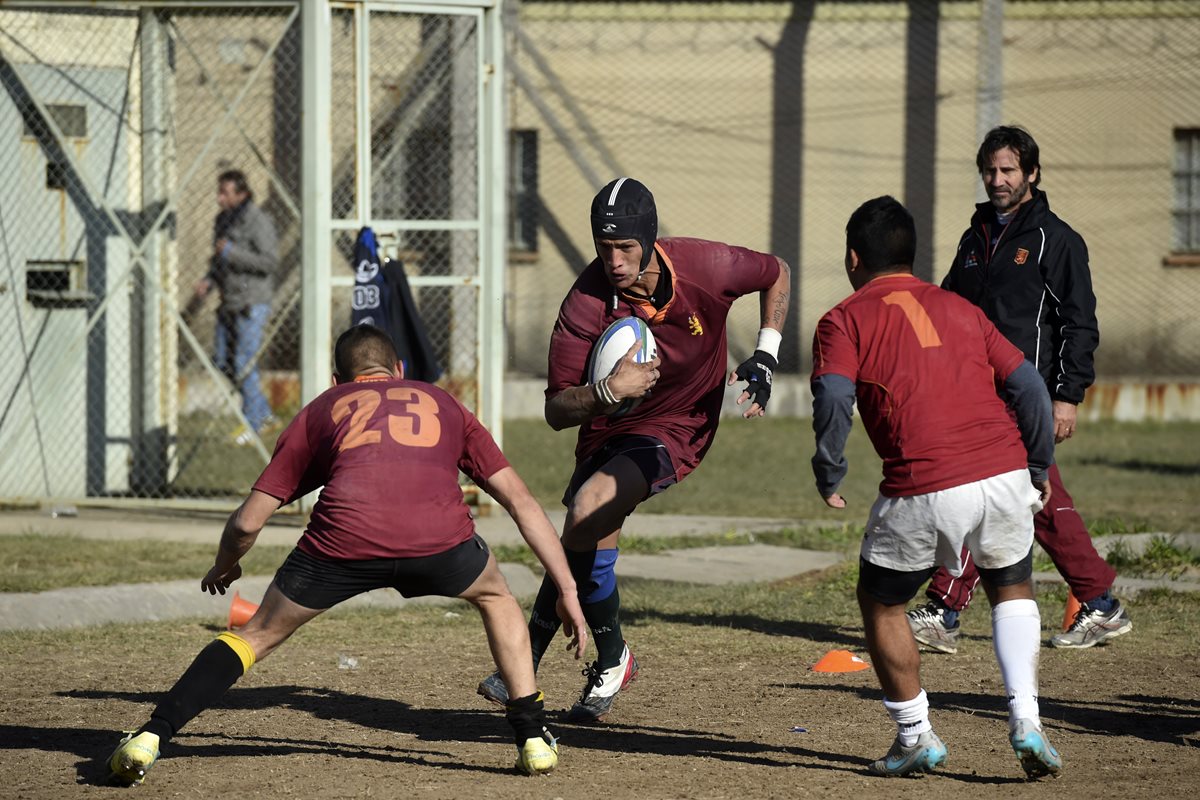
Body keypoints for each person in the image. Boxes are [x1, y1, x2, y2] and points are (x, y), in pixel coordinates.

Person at [105, 324, 589, 786]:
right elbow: (521, 502)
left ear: (337, 380)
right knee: (497, 597)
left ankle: (152, 735)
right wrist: (566, 588)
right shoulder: (445, 403)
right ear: (398, 369)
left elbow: (248, 521)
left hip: (342, 543)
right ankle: (531, 737)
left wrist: (226, 562)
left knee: (255, 636)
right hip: (439, 542)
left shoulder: (323, 408)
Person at [476, 176, 791, 722]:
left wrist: (765, 354)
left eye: (625, 248)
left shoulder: (707, 266)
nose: (615, 261)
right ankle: (610, 658)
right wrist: (605, 393)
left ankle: (530, 659)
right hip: (608, 423)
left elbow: (776, 271)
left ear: (649, 241)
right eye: (604, 248)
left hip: (679, 423)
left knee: (588, 507)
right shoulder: (585, 304)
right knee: (586, 535)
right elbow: (555, 410)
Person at [812, 195, 1062, 779]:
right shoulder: (959, 306)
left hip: (925, 483)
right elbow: (1028, 386)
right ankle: (1026, 719)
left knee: (880, 600)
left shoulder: (844, 317)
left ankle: (915, 734)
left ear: (854, 259)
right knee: (1012, 583)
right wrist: (1038, 466)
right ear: (912, 254)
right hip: (1003, 471)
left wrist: (830, 468)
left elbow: (832, 396)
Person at [907, 125, 1132, 653]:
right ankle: (1099, 604)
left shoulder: (1058, 241)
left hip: (1025, 396)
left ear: (1031, 173)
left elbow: (1080, 325)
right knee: (1034, 497)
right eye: (990, 170)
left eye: (1008, 170)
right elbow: (949, 308)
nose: (998, 179)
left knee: (987, 494)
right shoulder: (975, 238)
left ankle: (944, 608)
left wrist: (1066, 396)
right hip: (975, 395)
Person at [194, 169, 280, 446]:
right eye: (219, 192)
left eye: (225, 193)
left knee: (244, 362)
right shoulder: (222, 220)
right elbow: (218, 260)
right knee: (222, 360)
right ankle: (263, 414)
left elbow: (269, 262)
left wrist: (233, 253)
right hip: (228, 301)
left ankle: (252, 425)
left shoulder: (258, 221)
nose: (219, 198)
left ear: (241, 194)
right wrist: (208, 280)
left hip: (251, 303)